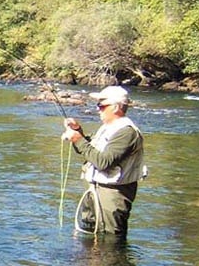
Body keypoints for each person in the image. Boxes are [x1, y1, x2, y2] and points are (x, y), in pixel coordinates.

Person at [62, 85, 145, 235]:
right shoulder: (108, 128)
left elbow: (103, 163)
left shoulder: (126, 132)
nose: (98, 109)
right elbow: (90, 152)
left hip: (112, 195)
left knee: (109, 242)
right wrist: (78, 132)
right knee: (88, 236)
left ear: (115, 107)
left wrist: (79, 139)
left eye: (101, 105)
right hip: (95, 191)